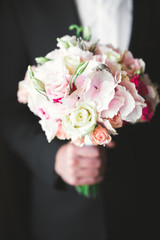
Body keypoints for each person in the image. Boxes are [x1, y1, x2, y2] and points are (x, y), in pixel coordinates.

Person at [0, 0, 160, 240]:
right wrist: (53, 158)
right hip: (63, 214)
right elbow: (7, 109)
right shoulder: (22, 6)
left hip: (145, 203)